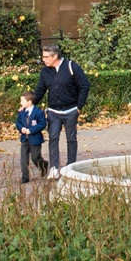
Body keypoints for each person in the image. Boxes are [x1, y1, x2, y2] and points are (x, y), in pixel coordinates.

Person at [32, 44, 91, 178]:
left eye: (46, 57)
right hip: (53, 111)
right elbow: (40, 91)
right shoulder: (45, 72)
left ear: (55, 56)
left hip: (71, 110)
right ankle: (54, 168)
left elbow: (84, 86)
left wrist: (79, 107)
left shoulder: (72, 67)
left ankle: (70, 167)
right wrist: (29, 105)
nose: (44, 60)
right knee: (53, 138)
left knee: (71, 139)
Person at [16, 91, 49, 183]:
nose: (21, 103)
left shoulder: (38, 112)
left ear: (29, 102)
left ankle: (43, 165)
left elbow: (42, 124)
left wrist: (31, 130)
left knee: (35, 157)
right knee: (23, 158)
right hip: (24, 139)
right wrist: (21, 128)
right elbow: (18, 122)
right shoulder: (22, 112)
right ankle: (25, 177)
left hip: (35, 139)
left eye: (22, 101)